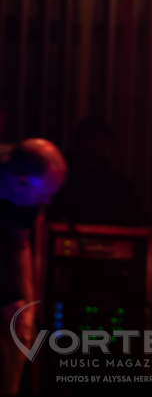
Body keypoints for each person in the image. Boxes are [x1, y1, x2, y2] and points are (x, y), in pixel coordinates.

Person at [0, 137, 68, 395]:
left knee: (16, 322)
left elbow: (20, 245)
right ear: (19, 182)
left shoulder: (27, 201)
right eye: (44, 195)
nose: (47, 203)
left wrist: (28, 308)